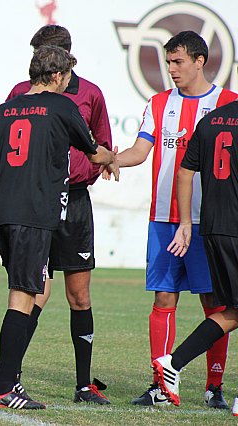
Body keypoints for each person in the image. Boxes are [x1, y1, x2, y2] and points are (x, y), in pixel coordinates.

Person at [0, 45, 117, 410]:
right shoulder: (63, 106)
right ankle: (3, 389)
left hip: (3, 217)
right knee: (22, 298)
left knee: (27, 292)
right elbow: (93, 153)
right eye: (66, 78)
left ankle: (5, 383)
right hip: (34, 217)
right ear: (58, 76)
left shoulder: (4, 111)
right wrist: (110, 157)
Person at [114, 30, 237, 408]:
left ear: (200, 61)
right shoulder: (159, 103)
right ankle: (161, 385)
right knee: (164, 298)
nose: (171, 69)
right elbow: (139, 150)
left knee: (216, 305)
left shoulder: (228, 103)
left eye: (178, 61)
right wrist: (111, 159)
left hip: (210, 221)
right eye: (168, 62)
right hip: (164, 219)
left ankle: (213, 387)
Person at [4, 24, 112, 404]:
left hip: (75, 203)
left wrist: (89, 170)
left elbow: (101, 146)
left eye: (41, 54)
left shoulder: (90, 94)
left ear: (62, 57)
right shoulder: (21, 93)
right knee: (32, 291)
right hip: (35, 203)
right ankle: (9, 376)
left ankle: (84, 385)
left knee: (79, 295)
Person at [152, 96, 238, 410]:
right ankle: (174, 363)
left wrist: (187, 222)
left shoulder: (211, 120)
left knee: (233, 310)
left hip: (212, 226)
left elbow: (184, 172)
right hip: (235, 226)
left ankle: (172, 363)